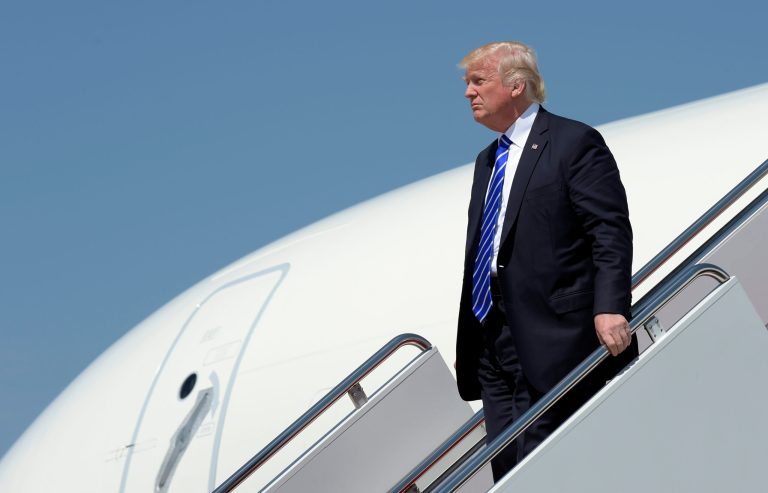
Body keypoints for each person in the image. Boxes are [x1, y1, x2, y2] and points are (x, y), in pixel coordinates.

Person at [454, 41, 638, 481]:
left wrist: (610, 305)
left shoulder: (573, 142)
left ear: (516, 86)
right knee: (507, 470)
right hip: (492, 342)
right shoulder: (487, 161)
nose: (468, 93)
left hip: (555, 336)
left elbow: (608, 229)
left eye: (478, 81)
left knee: (542, 466)